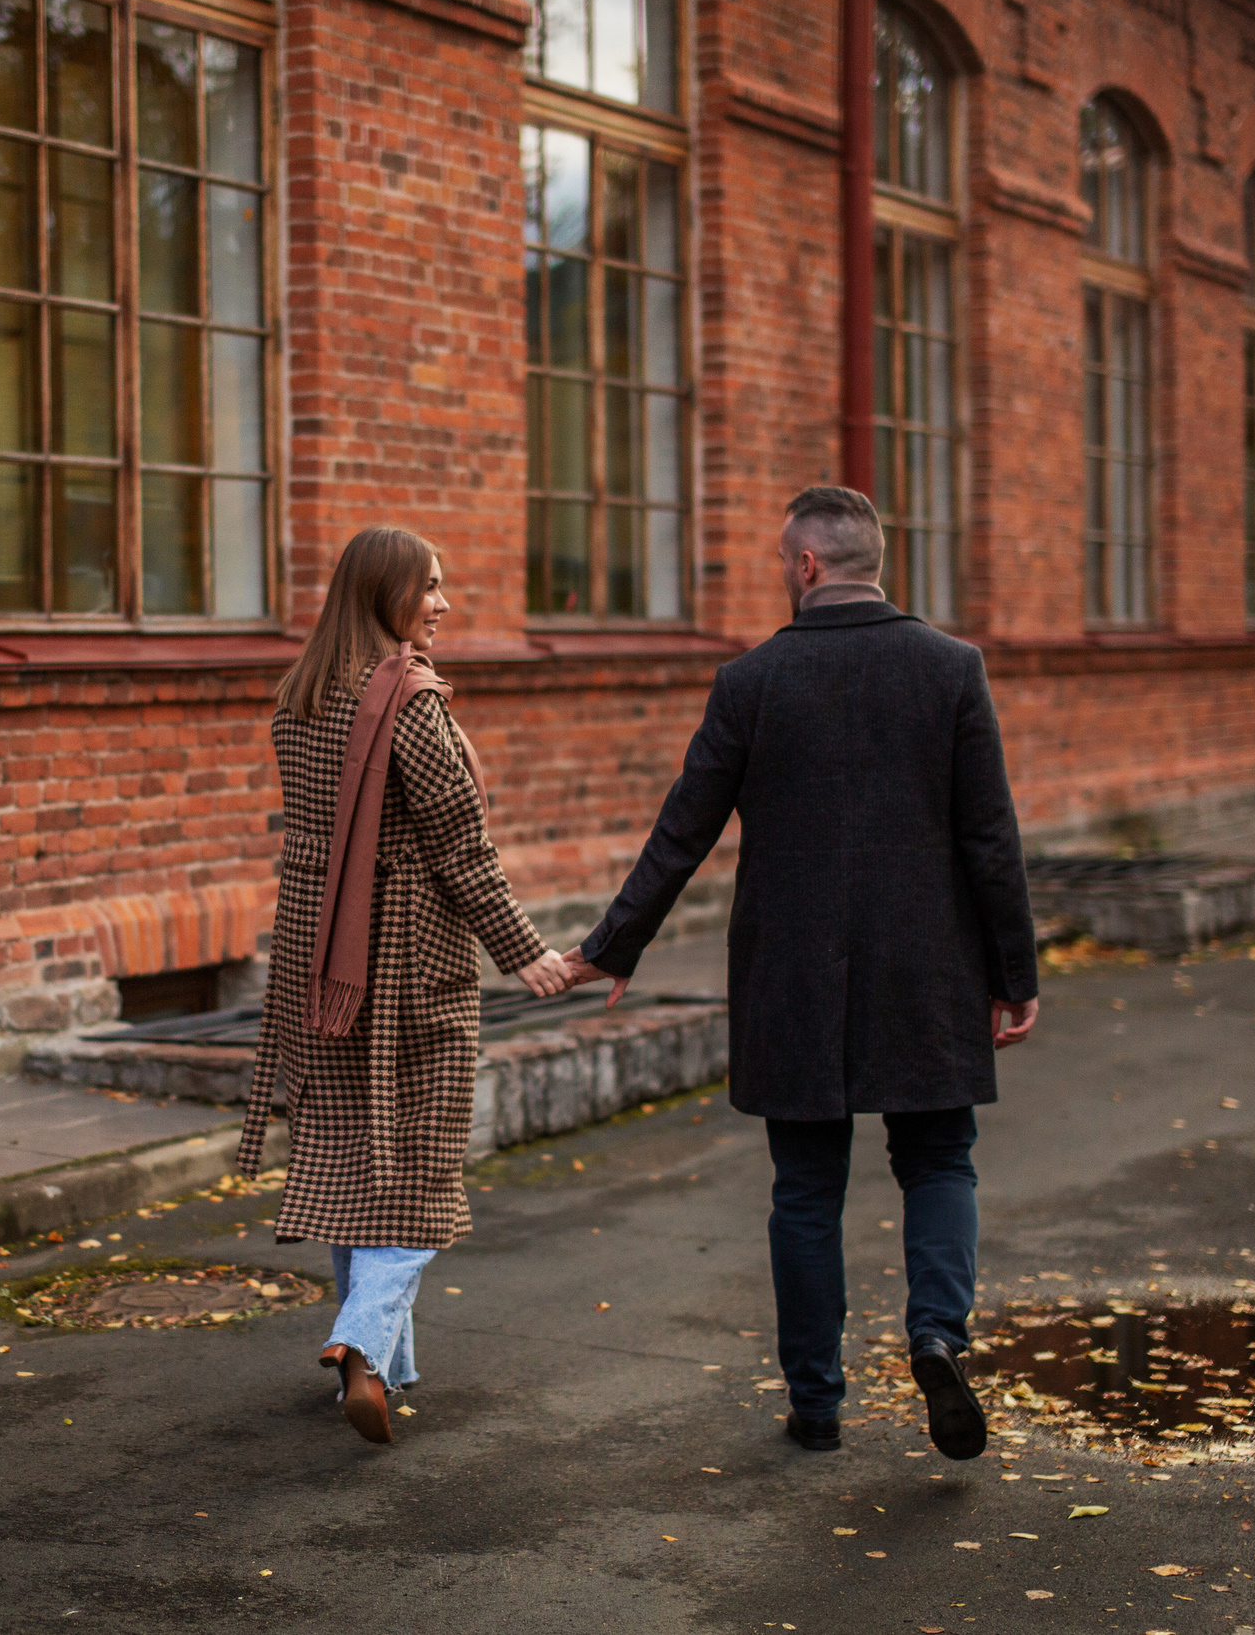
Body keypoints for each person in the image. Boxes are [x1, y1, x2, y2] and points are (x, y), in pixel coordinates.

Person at [558, 486, 1039, 1461]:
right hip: (926, 967)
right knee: (939, 1161)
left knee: (805, 1191)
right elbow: (990, 836)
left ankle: (816, 1405)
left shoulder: (752, 680)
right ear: (872, 560)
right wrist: (1011, 970)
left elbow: (682, 827)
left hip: (793, 976)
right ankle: (937, 1335)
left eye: (785, 559)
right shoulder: (951, 670)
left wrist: (612, 945)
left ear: (807, 565)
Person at [234, 525, 572, 1446]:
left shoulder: (298, 697)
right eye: (428, 585)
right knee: (419, 1167)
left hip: (318, 958)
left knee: (355, 1158)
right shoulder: (410, 703)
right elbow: (462, 847)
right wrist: (525, 950)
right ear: (382, 593)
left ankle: (385, 1356)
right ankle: (363, 1346)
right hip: (408, 964)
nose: (444, 602)